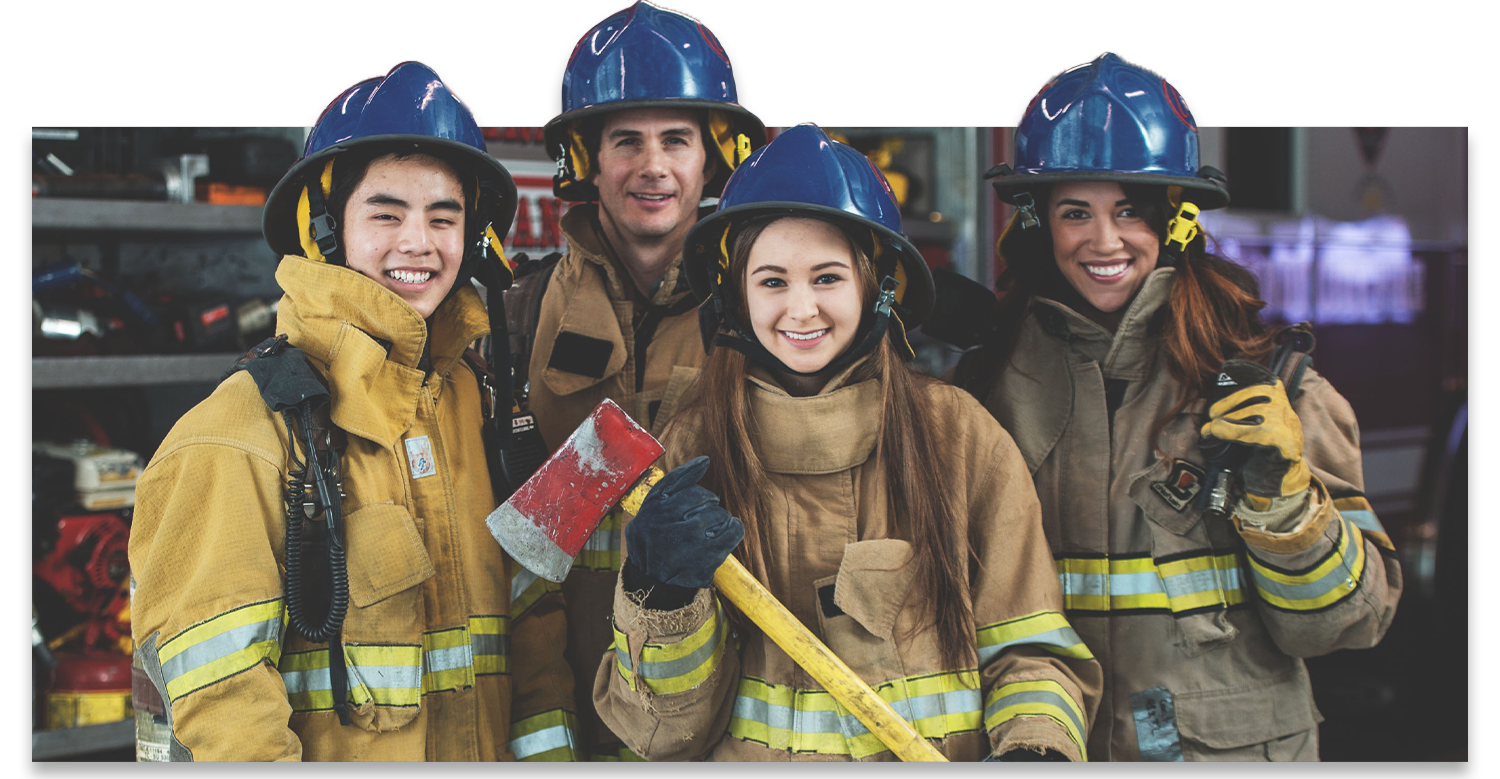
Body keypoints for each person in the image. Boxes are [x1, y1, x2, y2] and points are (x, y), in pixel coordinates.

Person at [591, 123, 1103, 761]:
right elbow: (662, 736)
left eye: (827, 278)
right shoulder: (689, 452)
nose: (801, 310)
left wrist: (1036, 746)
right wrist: (658, 597)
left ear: (876, 288)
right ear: (734, 297)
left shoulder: (960, 437)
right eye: (772, 282)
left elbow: (1028, 652)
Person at [949, 53, 1402, 761]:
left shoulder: (1272, 390)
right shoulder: (987, 386)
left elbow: (1350, 625)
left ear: (1178, 220)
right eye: (1077, 213)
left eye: (1131, 209)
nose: (1105, 241)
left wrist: (1285, 507)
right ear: (1040, 224)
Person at [128, 62, 576, 761]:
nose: (418, 242)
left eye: (444, 215)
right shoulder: (235, 439)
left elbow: (535, 646)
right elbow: (229, 721)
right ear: (327, 230)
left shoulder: (481, 412)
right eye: (386, 212)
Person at [510, 0, 766, 761]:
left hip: (722, 716)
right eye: (627, 141)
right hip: (565, 710)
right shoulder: (516, 319)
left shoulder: (765, 319)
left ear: (712, 157)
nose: (654, 167)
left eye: (677, 141)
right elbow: (519, 561)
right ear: (587, 160)